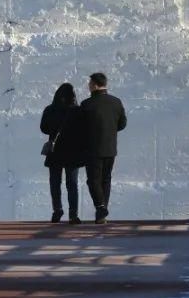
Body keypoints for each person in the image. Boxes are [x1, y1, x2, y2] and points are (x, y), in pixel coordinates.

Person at [78, 72, 127, 224]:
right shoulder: (116, 102)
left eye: (89, 83)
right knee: (106, 180)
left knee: (93, 180)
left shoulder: (86, 104)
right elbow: (122, 124)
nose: (88, 86)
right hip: (111, 148)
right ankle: (101, 214)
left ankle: (100, 206)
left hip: (92, 149)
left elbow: (80, 127)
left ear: (94, 85)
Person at [40, 83, 84, 224]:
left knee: (55, 182)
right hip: (72, 152)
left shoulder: (50, 109)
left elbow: (44, 129)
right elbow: (83, 130)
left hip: (55, 151)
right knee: (72, 184)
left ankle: (57, 210)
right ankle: (73, 214)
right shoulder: (77, 111)